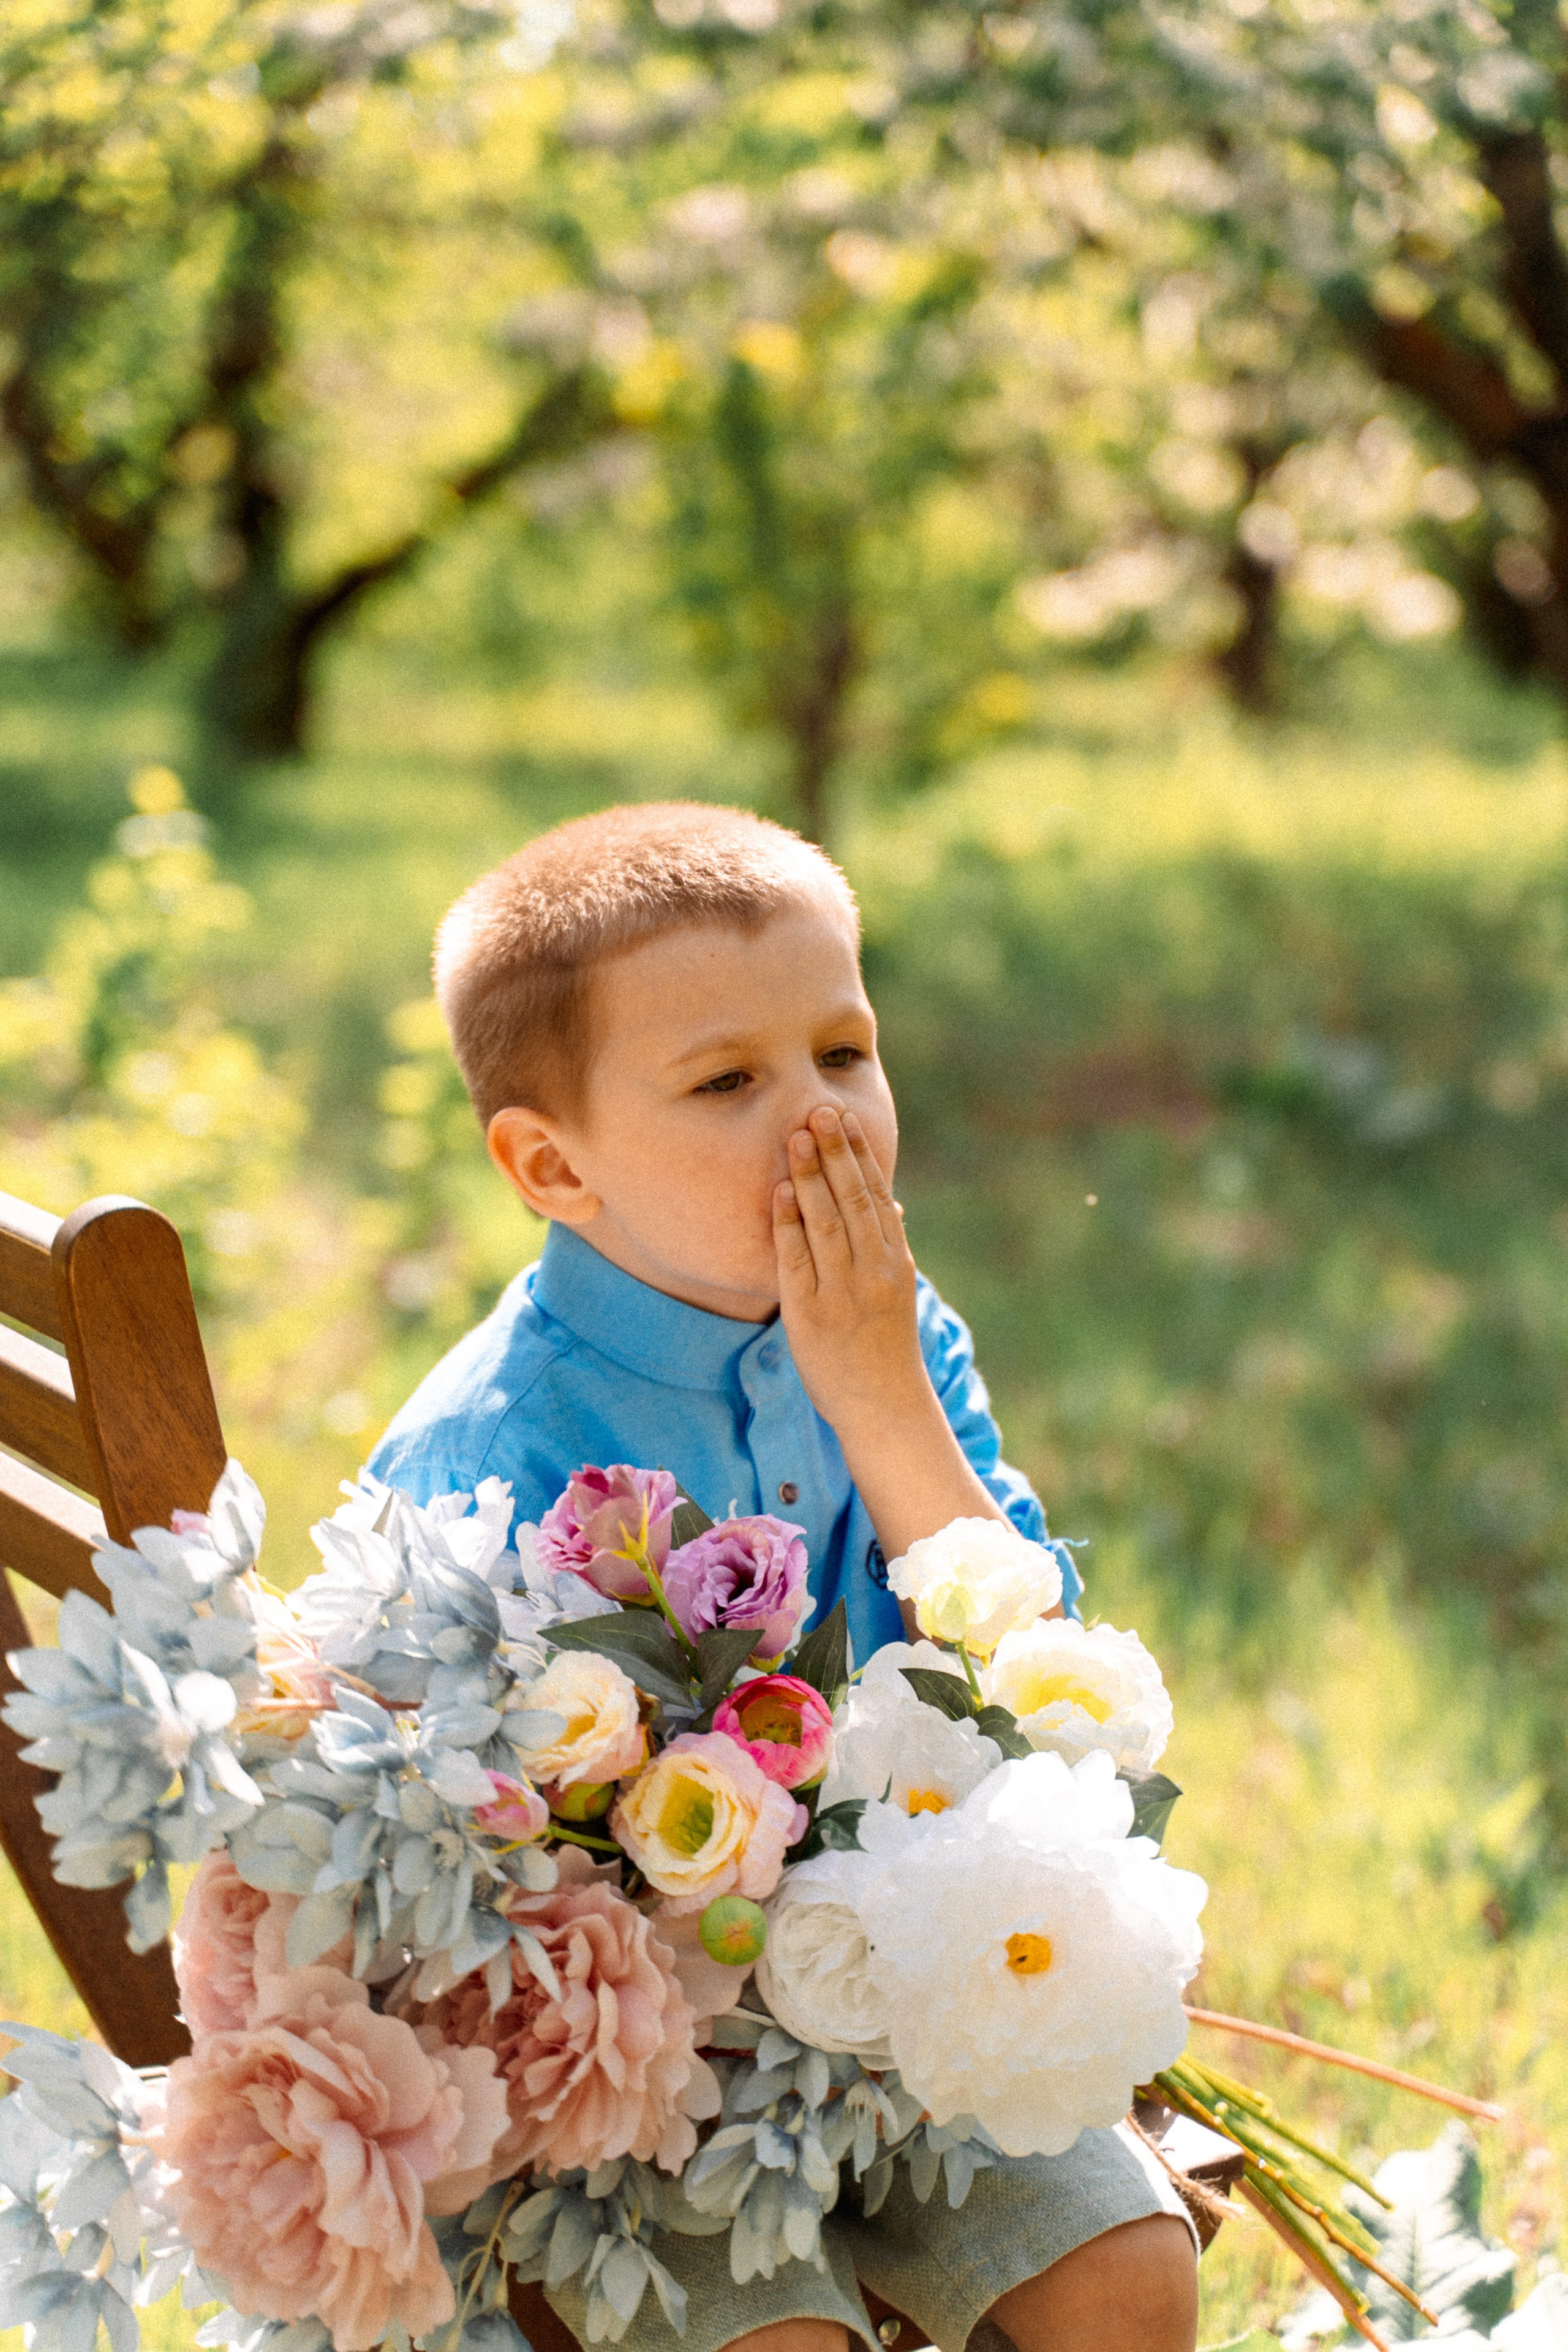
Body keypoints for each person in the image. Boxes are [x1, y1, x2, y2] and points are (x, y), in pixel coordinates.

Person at [371, 802, 1199, 2352]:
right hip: (640, 2067)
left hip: (911, 1985)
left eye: (843, 1052)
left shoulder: (892, 1327)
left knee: (1127, 2273)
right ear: (552, 1164)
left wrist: (880, 1394)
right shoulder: (499, 1452)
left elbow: (1035, 1683)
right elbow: (474, 1868)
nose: (820, 1116)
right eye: (728, 1081)